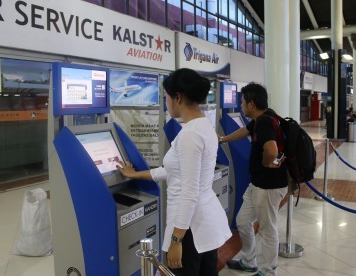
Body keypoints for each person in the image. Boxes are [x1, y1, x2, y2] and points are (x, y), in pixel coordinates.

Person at [116, 68, 232, 276]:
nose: (165, 102)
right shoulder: (203, 126)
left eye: (166, 97)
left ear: (177, 97)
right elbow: (174, 171)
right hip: (204, 224)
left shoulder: (189, 135)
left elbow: (189, 191)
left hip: (189, 229)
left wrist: (176, 240)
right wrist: (136, 175)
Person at [220, 82, 288, 276]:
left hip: (269, 186)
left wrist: (267, 163)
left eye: (242, 102)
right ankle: (249, 260)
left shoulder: (265, 122)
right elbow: (245, 131)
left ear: (251, 104)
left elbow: (271, 149)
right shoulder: (262, 118)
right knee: (242, 221)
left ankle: (268, 271)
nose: (240, 105)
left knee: (267, 229)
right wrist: (223, 139)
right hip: (258, 184)